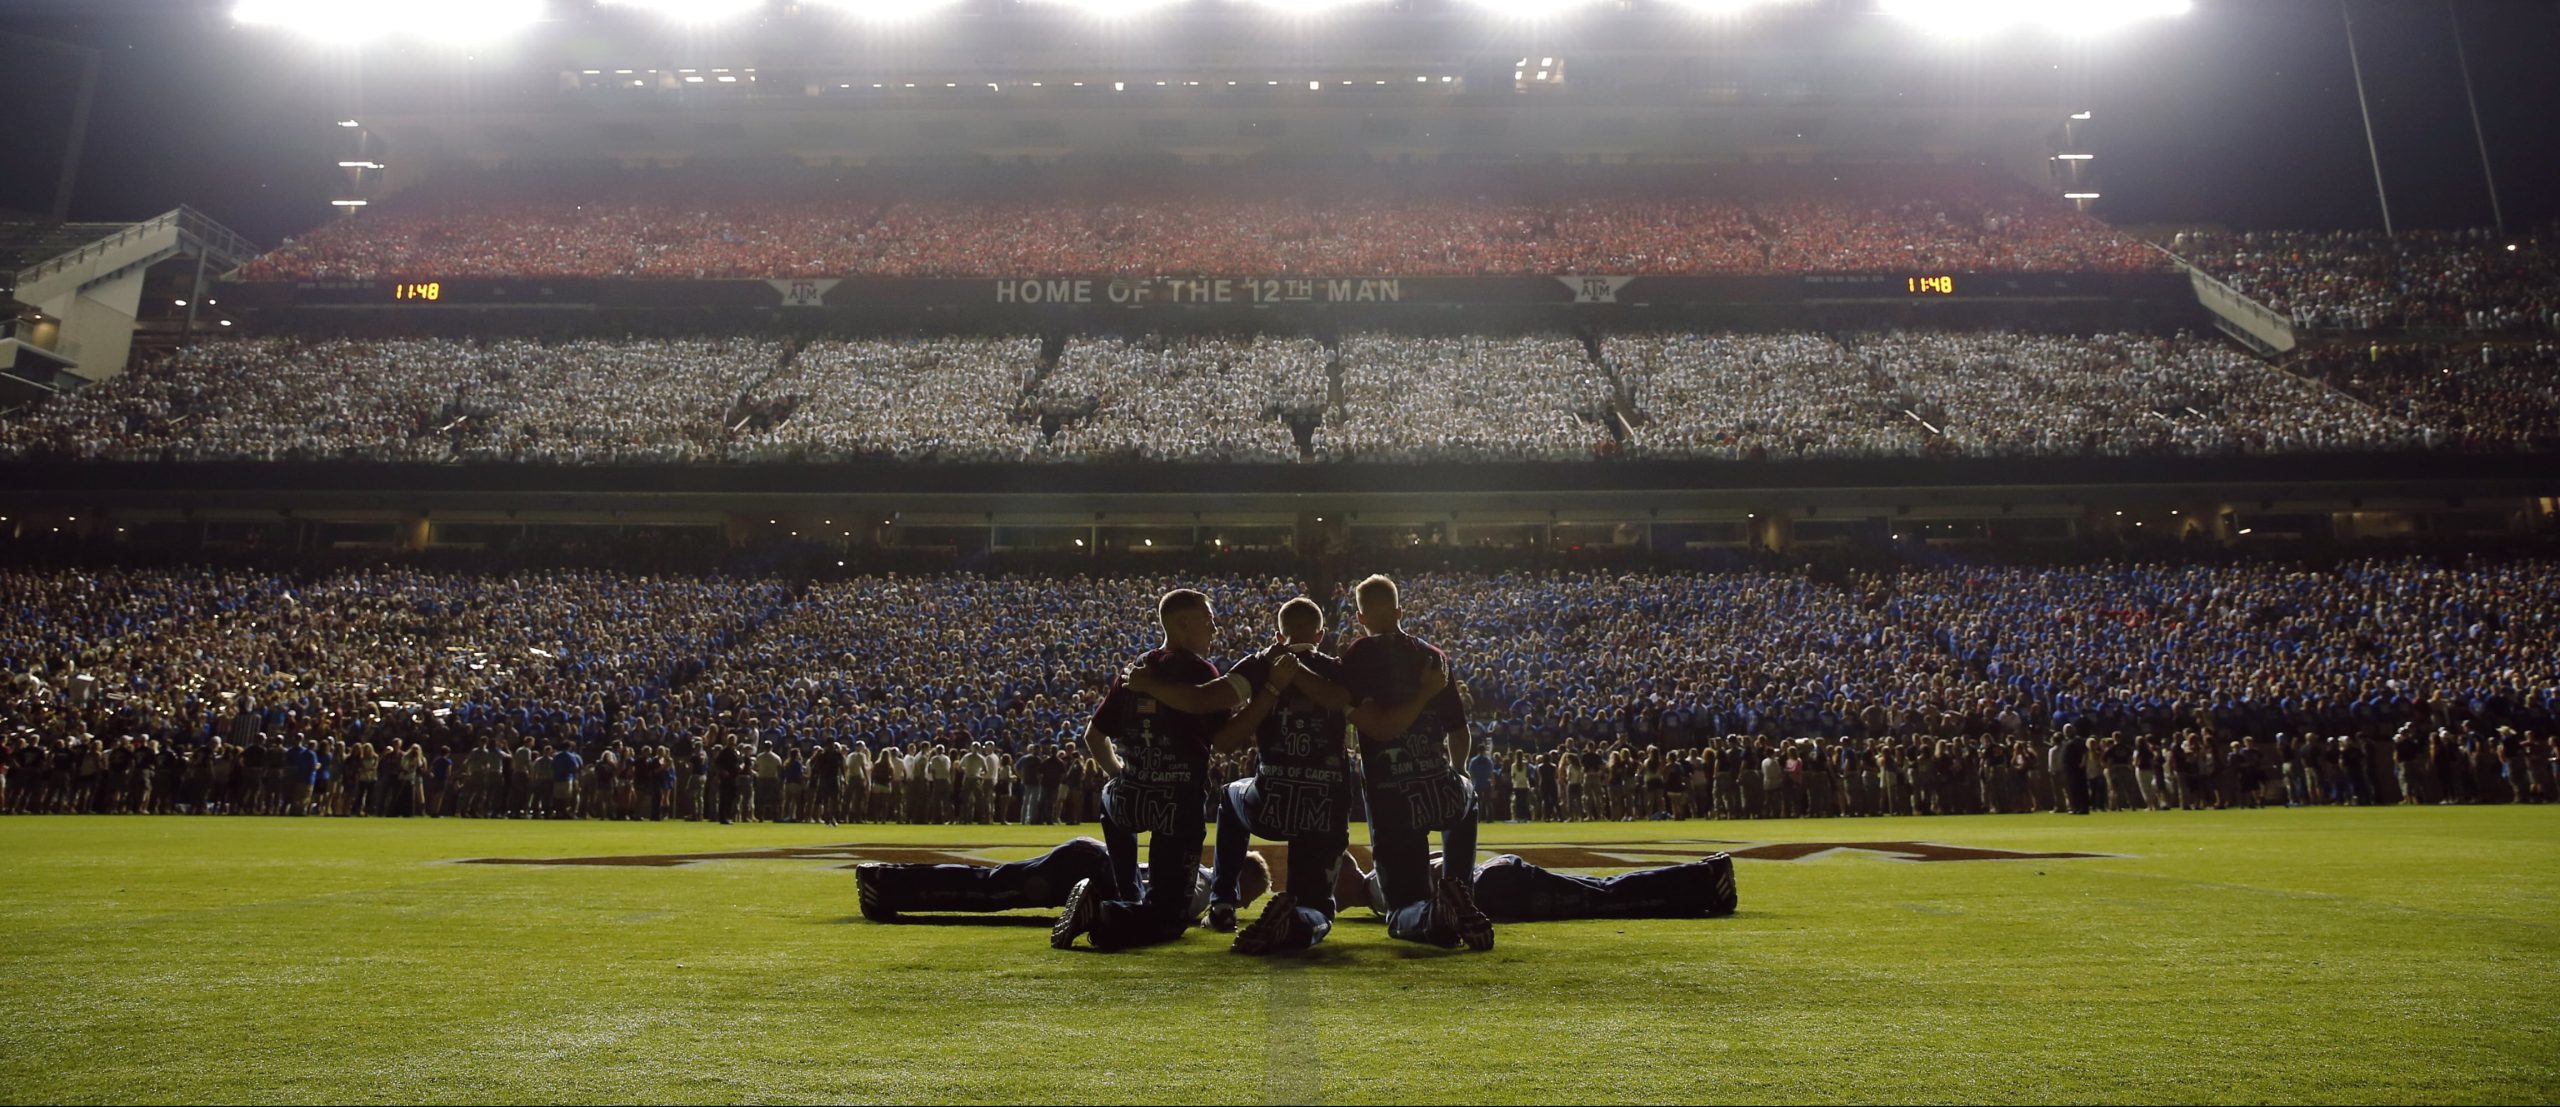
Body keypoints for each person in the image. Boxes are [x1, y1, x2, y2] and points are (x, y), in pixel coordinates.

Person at [1052, 589, 1248, 952]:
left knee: (1111, 802)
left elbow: (1093, 736)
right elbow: (1222, 739)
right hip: (1176, 805)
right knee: (1170, 917)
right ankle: (1104, 911)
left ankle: (1126, 891)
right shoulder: (1199, 671)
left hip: (1130, 797)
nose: (1215, 629)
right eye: (1208, 621)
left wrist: (1118, 774)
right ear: (1183, 624)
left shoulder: (1133, 669)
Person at [1339, 574, 1493, 951]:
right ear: (1400, 611)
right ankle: (1460, 888)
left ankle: (1433, 914)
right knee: (1466, 797)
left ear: (1360, 618)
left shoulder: (1358, 655)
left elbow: (1360, 720)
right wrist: (1456, 773)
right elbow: (1459, 730)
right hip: (1437, 782)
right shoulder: (1434, 657)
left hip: (1391, 793)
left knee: (1402, 908)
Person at [855, 837, 1270, 923]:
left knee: (990, 883)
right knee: (989, 891)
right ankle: (883, 884)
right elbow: (1177, 906)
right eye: (1244, 898)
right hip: (1090, 868)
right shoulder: (1200, 884)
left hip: (1090, 859)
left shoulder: (1197, 871)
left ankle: (887, 883)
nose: (1240, 906)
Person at [1342, 851, 1739, 923]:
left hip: (1500, 888)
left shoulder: (1381, 890)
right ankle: (1704, 879)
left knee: (1606, 899)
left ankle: (1706, 880)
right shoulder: (1379, 882)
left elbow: (1445, 870)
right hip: (1500, 878)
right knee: (1602, 890)